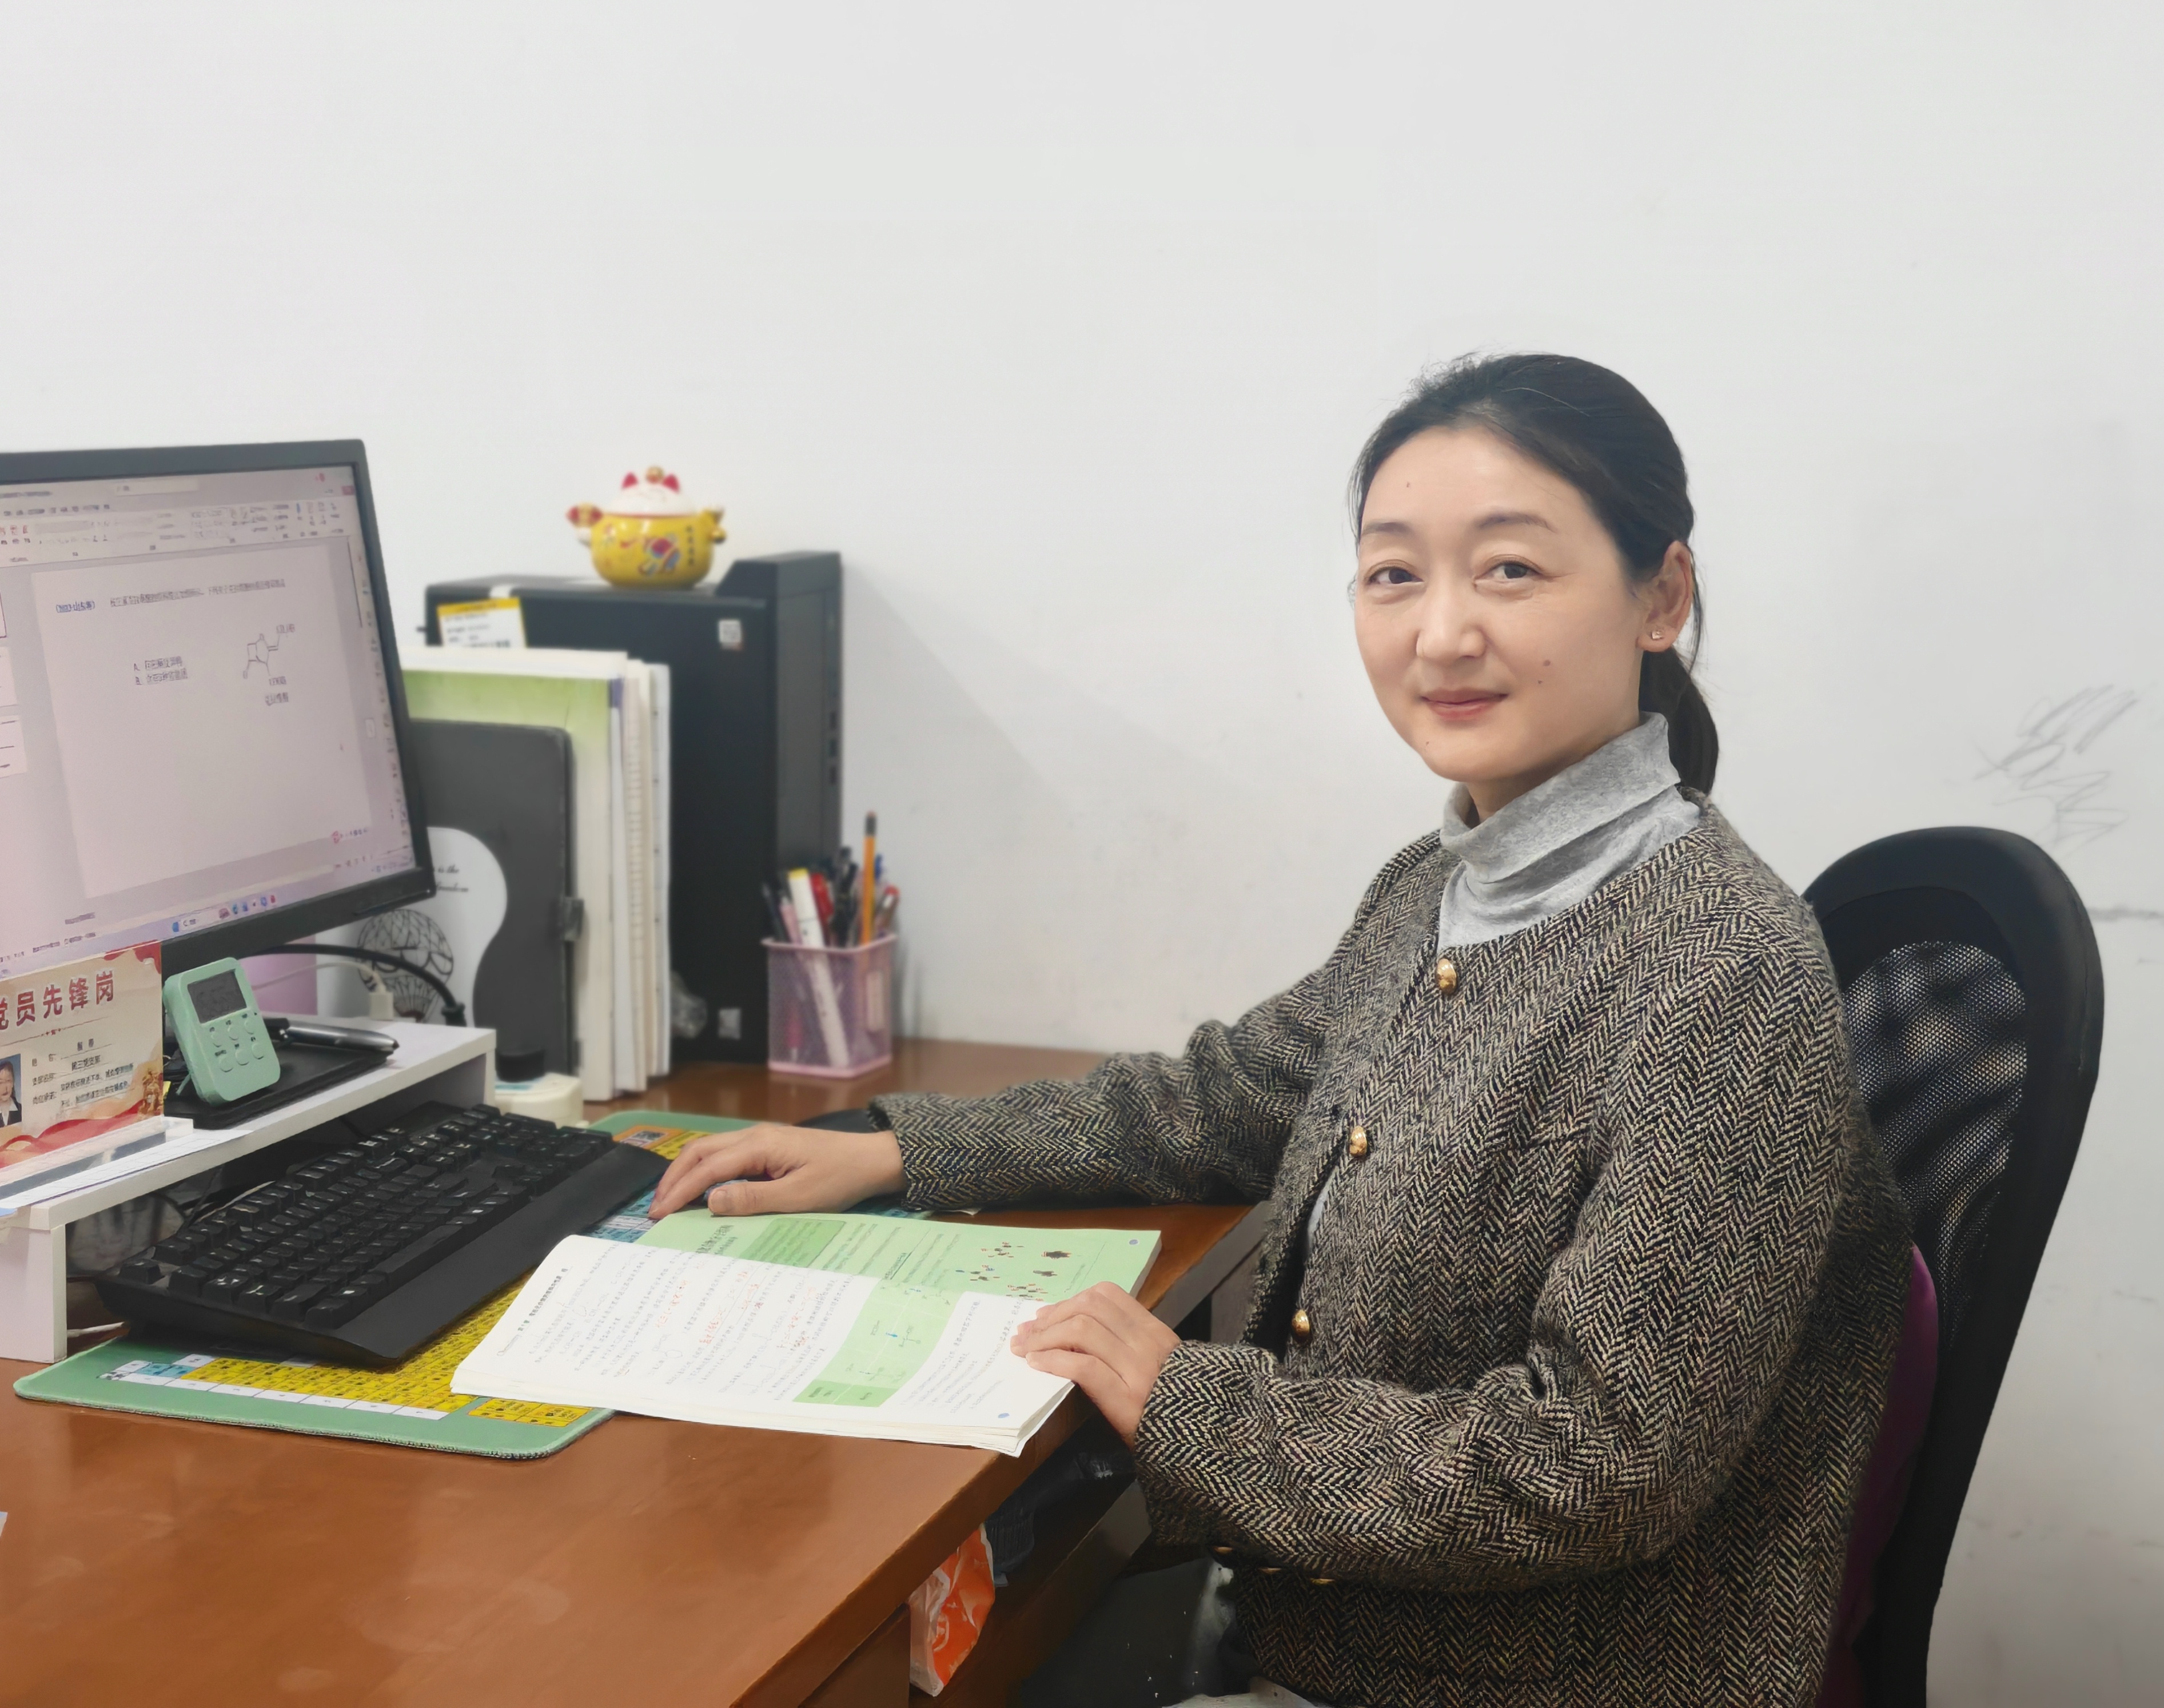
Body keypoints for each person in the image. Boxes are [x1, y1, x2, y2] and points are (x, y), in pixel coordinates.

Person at [650, 354, 1916, 1706]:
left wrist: (1190, 1404)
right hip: (1322, 1624)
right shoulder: (1440, 887)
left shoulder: (1723, 969)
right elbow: (1230, 1098)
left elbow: (1591, 1467)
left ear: (1662, 596)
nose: (1442, 633)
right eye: (1394, 574)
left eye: (1510, 570)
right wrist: (901, 1152)